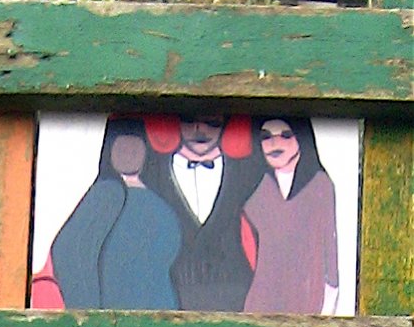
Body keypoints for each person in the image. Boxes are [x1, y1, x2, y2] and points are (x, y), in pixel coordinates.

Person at [30, 117, 181, 309]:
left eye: (135, 145)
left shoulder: (159, 203)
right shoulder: (106, 195)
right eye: (121, 146)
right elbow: (71, 252)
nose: (129, 153)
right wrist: (88, 309)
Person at [140, 117, 262, 310]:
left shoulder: (249, 172)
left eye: (212, 122)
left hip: (235, 297)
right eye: (189, 121)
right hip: (170, 298)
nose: (200, 130)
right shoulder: (149, 173)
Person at [243, 118, 339, 314]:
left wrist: (329, 305)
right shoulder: (255, 189)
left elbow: (329, 248)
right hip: (260, 299)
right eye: (265, 137)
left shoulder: (320, 186)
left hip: (306, 298)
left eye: (286, 135)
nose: (274, 144)